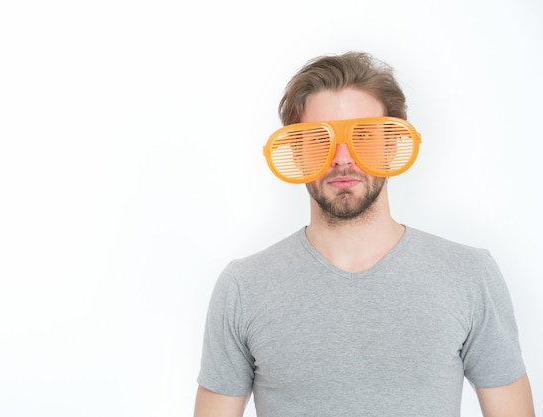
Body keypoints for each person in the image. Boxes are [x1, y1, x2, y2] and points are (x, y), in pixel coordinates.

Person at [193, 52, 535, 417]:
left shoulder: (469, 274)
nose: (342, 158)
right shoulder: (243, 287)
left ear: (391, 145)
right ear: (296, 152)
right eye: (319, 140)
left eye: (366, 137)